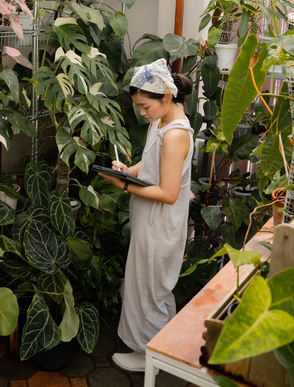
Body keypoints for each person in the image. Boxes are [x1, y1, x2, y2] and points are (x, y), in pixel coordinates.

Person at [98, 58, 194, 372]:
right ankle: (155, 351)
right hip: (149, 219)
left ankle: (150, 356)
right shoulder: (161, 120)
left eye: (144, 106)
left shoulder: (176, 133)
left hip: (160, 223)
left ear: (166, 96)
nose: (142, 113)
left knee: (151, 288)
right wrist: (129, 171)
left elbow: (168, 193)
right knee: (146, 284)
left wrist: (125, 185)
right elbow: (150, 164)